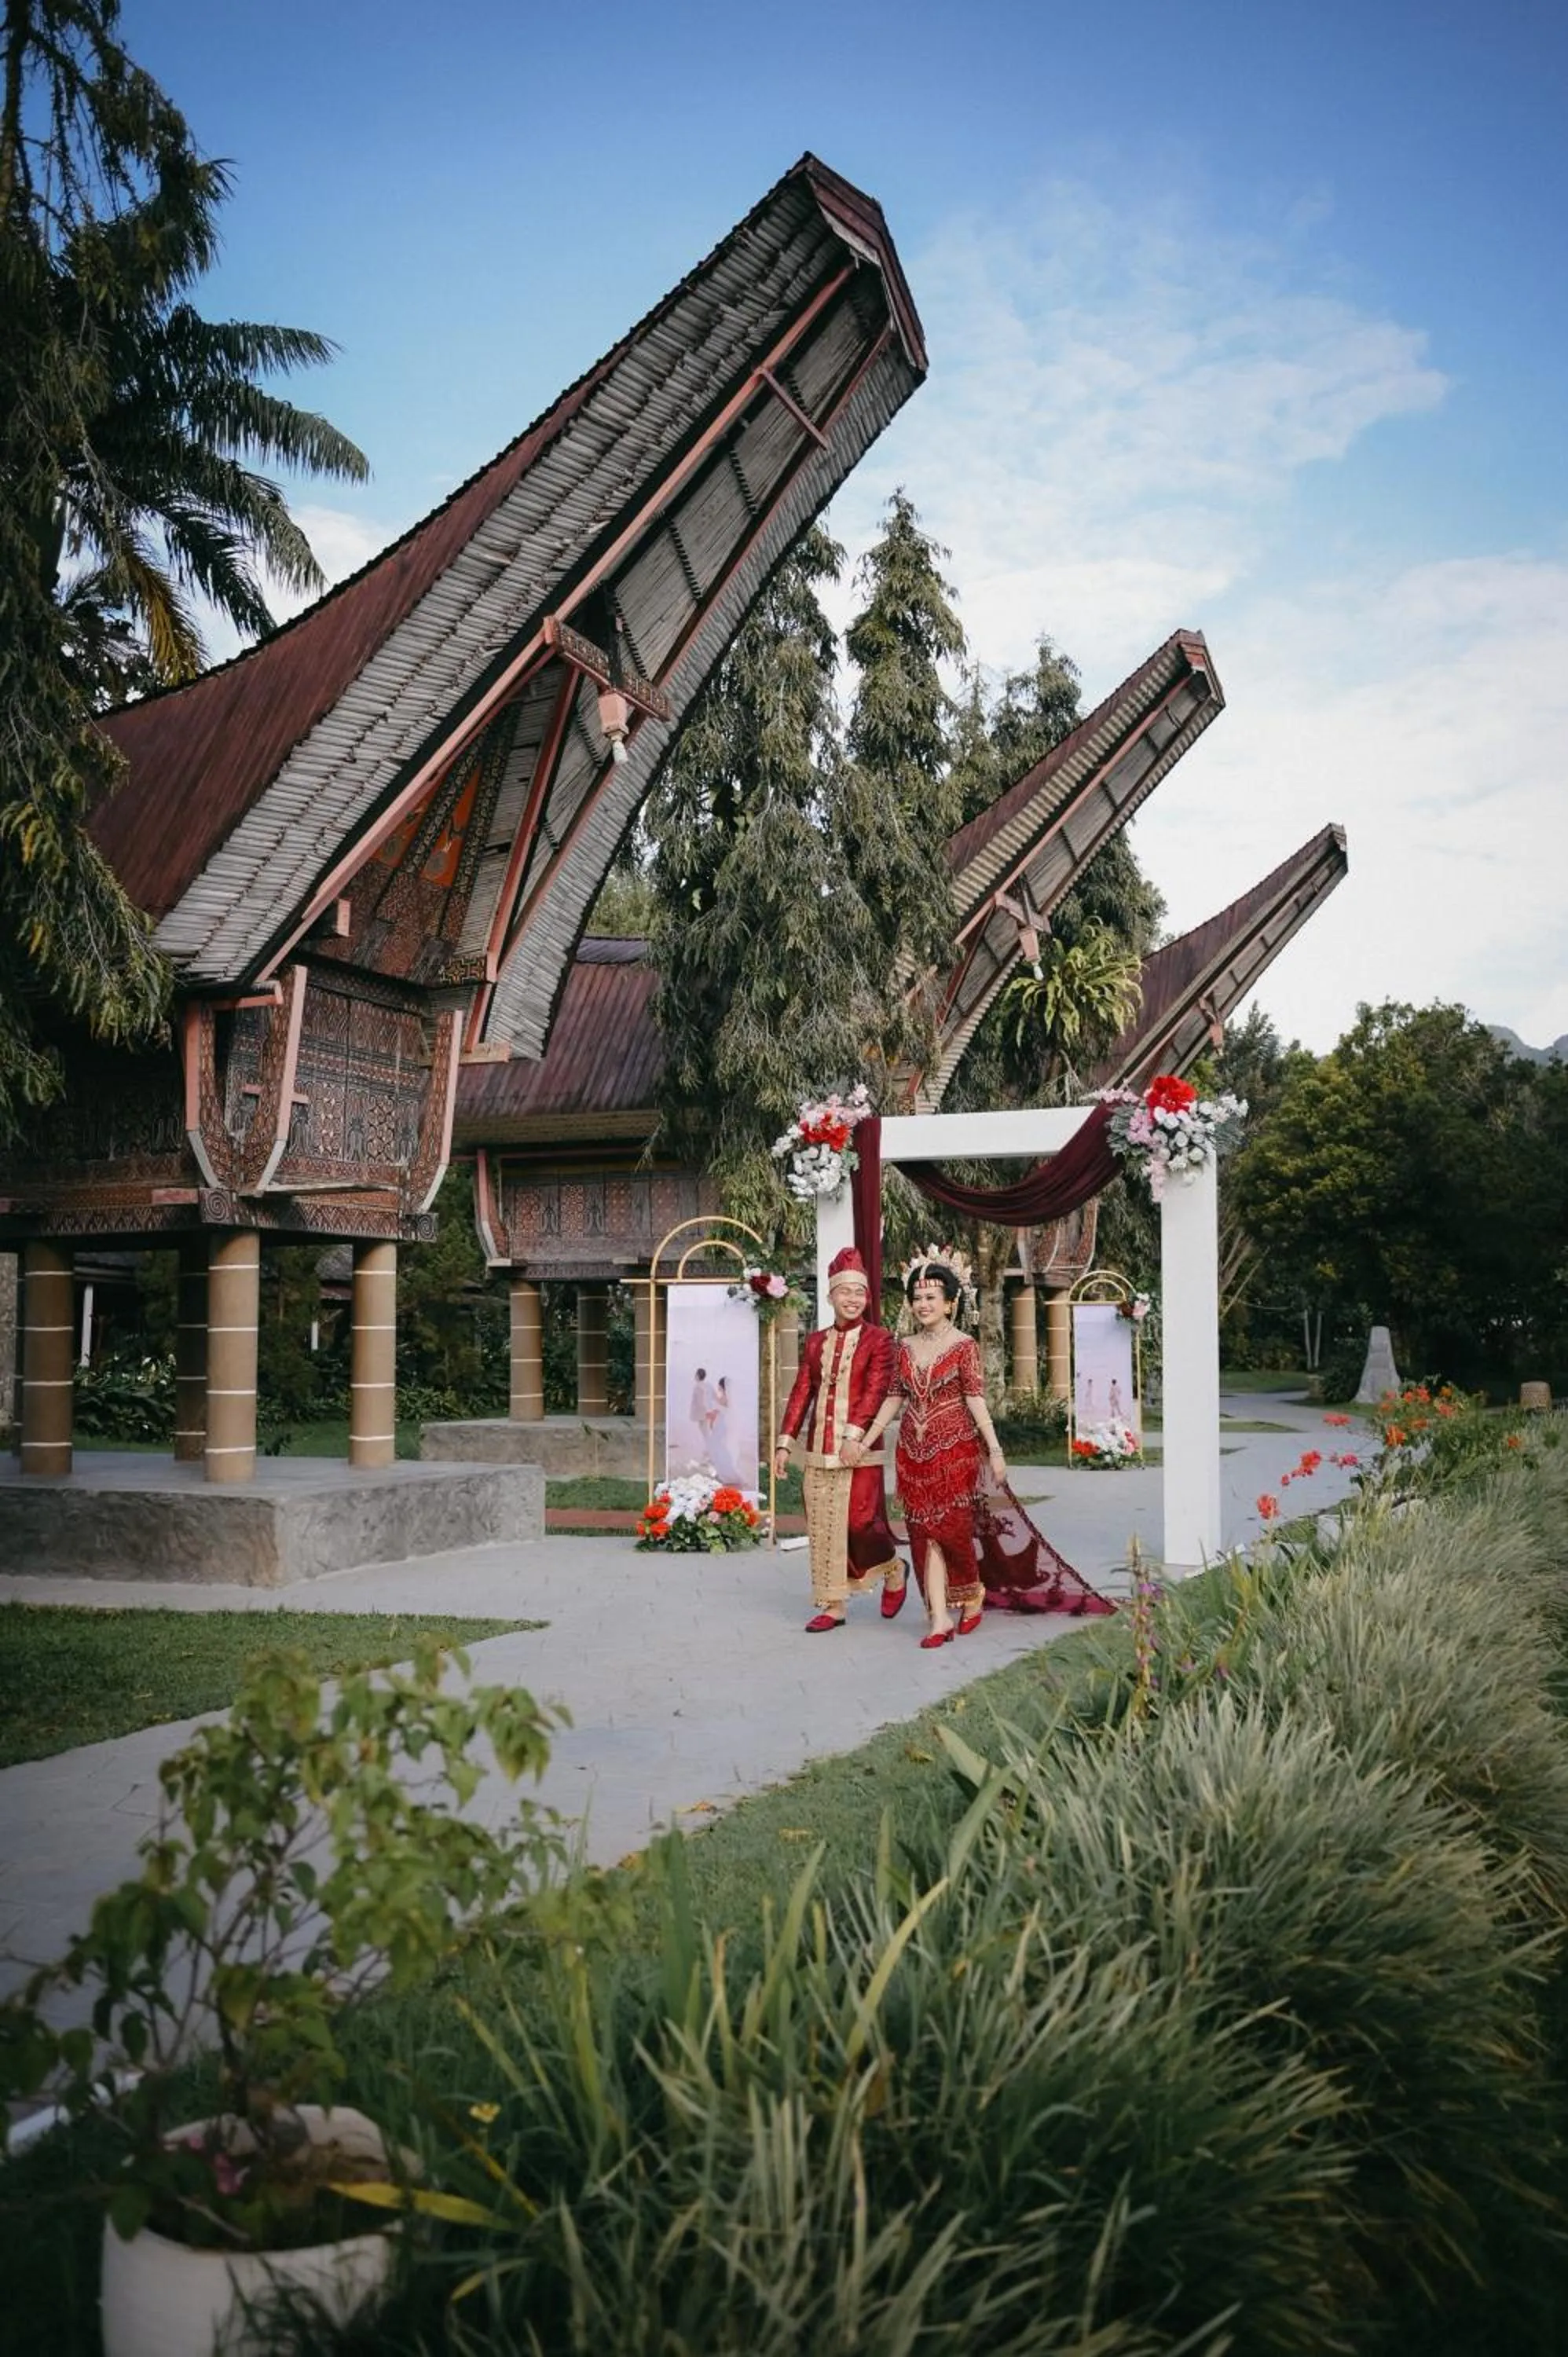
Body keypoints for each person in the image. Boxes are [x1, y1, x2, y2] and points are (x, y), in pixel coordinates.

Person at [849, 1255, 1114, 1648]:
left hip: (956, 1452)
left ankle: (971, 1596)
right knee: (923, 1535)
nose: (923, 1304)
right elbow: (894, 1398)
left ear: (950, 1302)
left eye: (931, 1297)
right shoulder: (903, 1348)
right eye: (917, 1297)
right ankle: (939, 1618)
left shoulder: (964, 1346)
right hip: (912, 1455)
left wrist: (996, 1450)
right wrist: (865, 1437)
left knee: (953, 1532)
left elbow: (975, 1399)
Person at [773, 1246, 906, 1631]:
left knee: (861, 1523)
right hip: (819, 1448)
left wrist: (855, 1436)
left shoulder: (879, 1340)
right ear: (830, 1296)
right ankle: (833, 1604)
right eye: (844, 1292)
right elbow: (802, 1391)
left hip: (859, 1448)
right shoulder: (815, 1342)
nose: (852, 1299)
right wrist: (785, 1443)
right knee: (824, 1524)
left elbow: (876, 1390)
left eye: (859, 1292)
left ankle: (895, 1569)